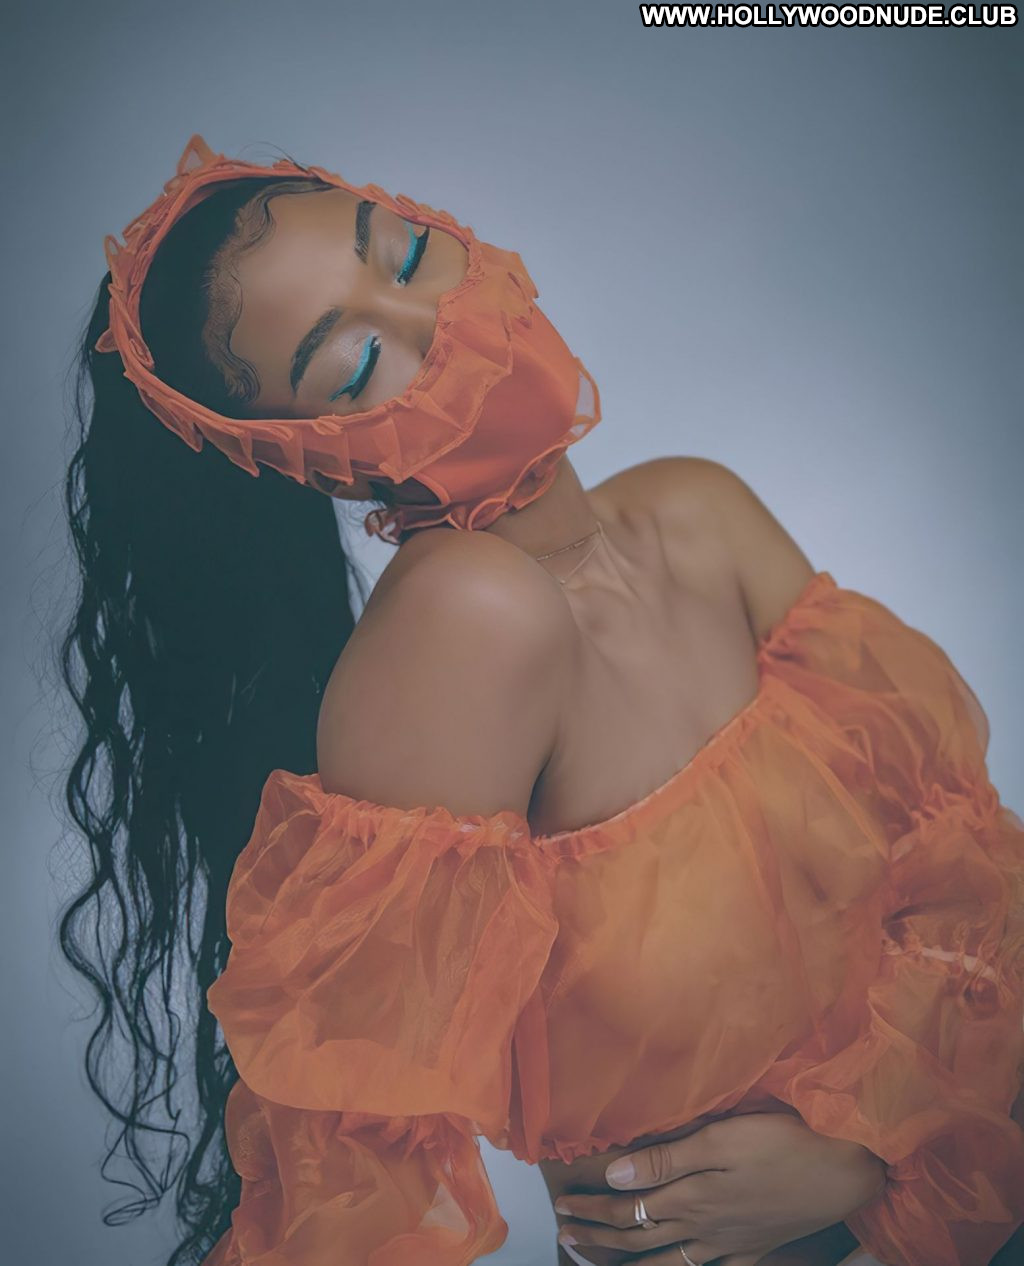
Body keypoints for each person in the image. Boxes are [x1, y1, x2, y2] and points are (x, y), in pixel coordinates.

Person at [56, 135, 1024, 1266]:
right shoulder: (468, 620)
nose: (435, 320)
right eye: (358, 365)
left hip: (966, 1168)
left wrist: (869, 1150)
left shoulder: (698, 513)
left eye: (406, 252)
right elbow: (356, 1163)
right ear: (316, 458)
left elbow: (957, 868)